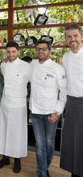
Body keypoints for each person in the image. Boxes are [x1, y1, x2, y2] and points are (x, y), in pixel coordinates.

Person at [29, 40, 67, 177]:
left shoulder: (57, 68)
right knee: (40, 145)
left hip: (51, 113)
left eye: (44, 49)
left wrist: (58, 112)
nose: (40, 51)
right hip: (35, 113)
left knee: (49, 144)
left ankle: (45, 167)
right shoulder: (32, 65)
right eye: (38, 49)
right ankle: (42, 172)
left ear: (49, 51)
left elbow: (64, 92)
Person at [0, 42, 30, 173]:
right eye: (8, 52)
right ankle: (5, 158)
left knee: (17, 133)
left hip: (19, 104)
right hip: (5, 103)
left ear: (18, 52)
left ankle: (17, 160)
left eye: (13, 52)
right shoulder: (3, 65)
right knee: (3, 131)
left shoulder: (26, 66)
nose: (11, 54)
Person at [60, 24, 83, 177]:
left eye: (75, 36)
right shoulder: (66, 57)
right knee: (73, 142)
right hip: (71, 103)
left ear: (82, 36)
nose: (72, 39)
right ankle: (75, 172)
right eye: (69, 37)